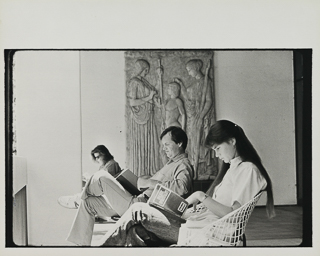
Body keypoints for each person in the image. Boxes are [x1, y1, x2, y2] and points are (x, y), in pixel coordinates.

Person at [94, 120, 275, 247]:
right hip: (195, 222)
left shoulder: (248, 170)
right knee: (136, 232)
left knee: (137, 211)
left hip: (206, 232)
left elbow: (232, 214)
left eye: (218, 148)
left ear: (232, 141)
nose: (217, 155)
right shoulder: (234, 169)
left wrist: (200, 196)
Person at [66, 126, 194, 246]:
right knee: (88, 203)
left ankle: (77, 198)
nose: (164, 148)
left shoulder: (183, 164)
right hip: (135, 198)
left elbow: (182, 187)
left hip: (141, 204)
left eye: (167, 144)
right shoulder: (171, 164)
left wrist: (149, 182)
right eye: (163, 145)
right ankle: (81, 247)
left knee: (100, 177)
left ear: (179, 143)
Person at [174, 59, 214, 179]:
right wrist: (181, 85)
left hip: (200, 118)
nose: (189, 73)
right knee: (191, 143)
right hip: (192, 117)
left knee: (198, 143)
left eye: (189, 70)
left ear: (195, 69)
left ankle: (200, 169)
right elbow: (188, 99)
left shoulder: (206, 82)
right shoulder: (194, 84)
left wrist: (201, 116)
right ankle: (193, 168)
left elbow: (209, 101)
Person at [58, 145, 122, 209]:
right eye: (95, 157)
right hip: (104, 191)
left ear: (104, 154)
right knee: (87, 186)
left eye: (98, 157)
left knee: (87, 190)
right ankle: (78, 198)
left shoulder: (112, 164)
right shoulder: (104, 166)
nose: (97, 159)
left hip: (109, 193)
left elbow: (105, 181)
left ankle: (78, 199)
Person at [127, 59, 162, 177]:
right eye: (146, 69)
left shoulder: (143, 81)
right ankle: (141, 171)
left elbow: (153, 91)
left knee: (151, 143)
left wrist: (159, 76)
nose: (147, 72)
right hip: (140, 119)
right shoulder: (134, 82)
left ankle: (150, 170)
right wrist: (148, 98)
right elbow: (132, 102)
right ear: (142, 69)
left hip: (149, 115)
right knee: (142, 143)